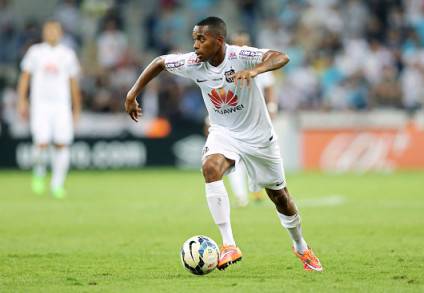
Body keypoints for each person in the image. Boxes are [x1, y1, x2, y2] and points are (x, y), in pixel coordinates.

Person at [124, 16, 322, 272]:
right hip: (224, 133)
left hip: (259, 137)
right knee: (210, 168)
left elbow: (281, 56)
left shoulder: (241, 55)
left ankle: (301, 246)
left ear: (219, 40)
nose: (195, 45)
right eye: (194, 38)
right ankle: (229, 244)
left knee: (280, 197)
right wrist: (132, 93)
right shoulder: (194, 63)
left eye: (201, 39)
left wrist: (254, 70)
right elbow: (160, 62)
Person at [17, 20, 81, 198]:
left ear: (60, 33)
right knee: (41, 142)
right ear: (44, 33)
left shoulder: (67, 54)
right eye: (49, 30)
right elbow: (25, 77)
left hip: (61, 105)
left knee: (62, 143)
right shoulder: (35, 52)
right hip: (40, 105)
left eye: (55, 30)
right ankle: (38, 172)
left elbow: (73, 83)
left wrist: (76, 108)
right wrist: (21, 101)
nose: (52, 33)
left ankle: (57, 184)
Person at [227, 31, 277, 205]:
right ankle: (241, 196)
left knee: (257, 156)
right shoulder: (225, 64)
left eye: (243, 43)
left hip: (257, 118)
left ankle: (256, 190)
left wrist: (272, 106)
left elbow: (269, 87)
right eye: (237, 43)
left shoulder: (257, 62)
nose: (240, 47)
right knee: (234, 158)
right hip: (233, 118)